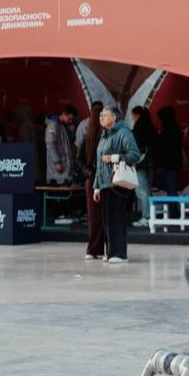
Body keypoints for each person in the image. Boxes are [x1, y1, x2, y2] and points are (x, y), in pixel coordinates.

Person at [93, 106, 142, 263]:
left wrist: (115, 158)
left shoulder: (124, 132)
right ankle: (110, 252)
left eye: (105, 115)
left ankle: (119, 254)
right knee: (107, 220)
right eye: (100, 115)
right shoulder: (104, 136)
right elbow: (99, 164)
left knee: (117, 220)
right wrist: (96, 186)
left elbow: (135, 155)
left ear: (114, 117)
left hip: (118, 183)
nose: (101, 117)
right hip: (105, 184)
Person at [81, 103, 105, 259]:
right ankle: (107, 250)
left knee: (93, 217)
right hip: (104, 178)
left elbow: (78, 158)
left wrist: (88, 171)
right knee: (106, 216)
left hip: (91, 179)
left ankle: (93, 249)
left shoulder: (88, 134)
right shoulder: (106, 135)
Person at [154, 107, 184, 217]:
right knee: (172, 189)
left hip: (168, 165)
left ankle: (173, 212)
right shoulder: (175, 129)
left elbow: (165, 149)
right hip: (173, 164)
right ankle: (173, 211)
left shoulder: (167, 130)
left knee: (171, 189)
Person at [130, 106, 157, 224]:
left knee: (142, 191)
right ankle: (151, 215)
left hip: (140, 164)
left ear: (137, 115)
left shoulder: (137, 129)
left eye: (133, 115)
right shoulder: (152, 128)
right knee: (148, 190)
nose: (132, 118)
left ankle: (146, 217)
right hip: (151, 163)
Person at [45, 106, 76, 186]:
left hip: (63, 166)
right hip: (57, 168)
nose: (70, 121)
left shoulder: (61, 125)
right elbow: (50, 144)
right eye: (69, 119)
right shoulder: (53, 125)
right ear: (64, 114)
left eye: (72, 119)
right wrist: (57, 162)